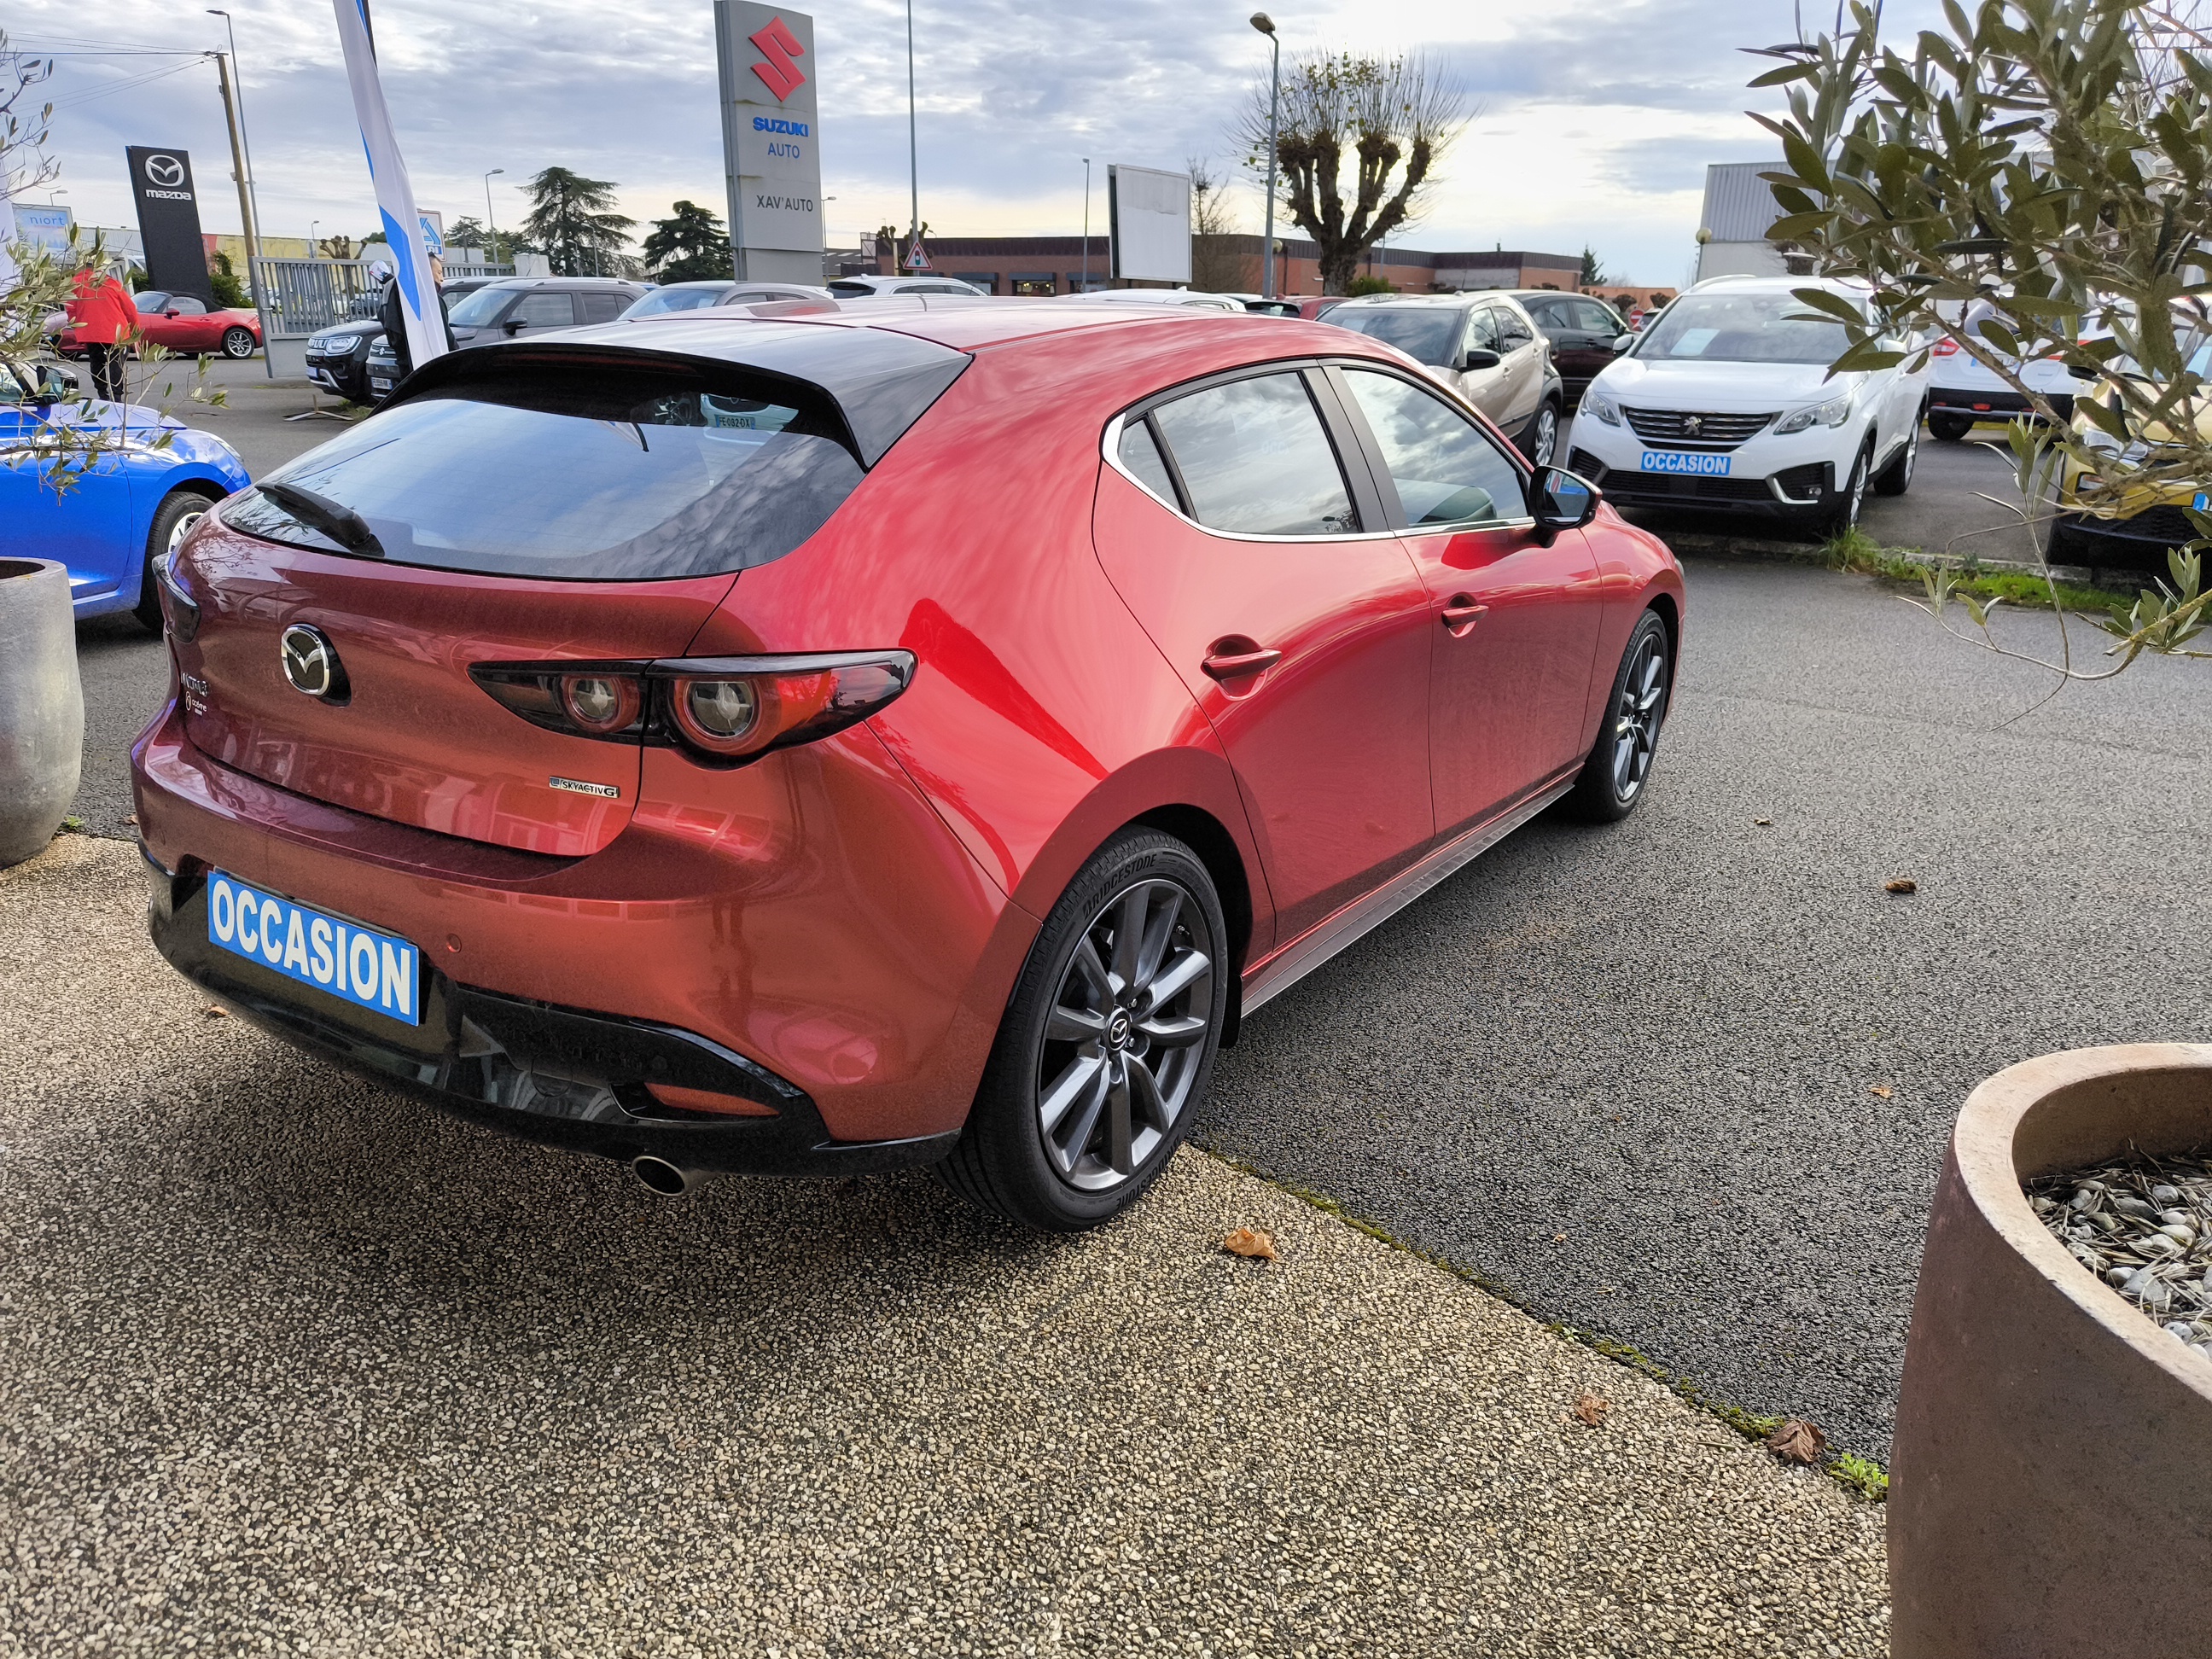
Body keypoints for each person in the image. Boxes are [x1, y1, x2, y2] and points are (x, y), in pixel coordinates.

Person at [377, 253, 457, 382]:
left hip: (404, 364)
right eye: (439, 272)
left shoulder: (393, 295)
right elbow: (446, 335)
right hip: (431, 365)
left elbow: (385, 320)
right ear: (425, 271)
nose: (442, 278)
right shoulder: (432, 299)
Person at [66, 264, 138, 403]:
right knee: (115, 363)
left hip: (91, 332)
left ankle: (102, 393)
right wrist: (135, 333)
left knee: (96, 361)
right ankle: (116, 396)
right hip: (117, 331)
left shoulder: (75, 283)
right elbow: (130, 310)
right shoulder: (111, 283)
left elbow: (71, 309)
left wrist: (78, 327)